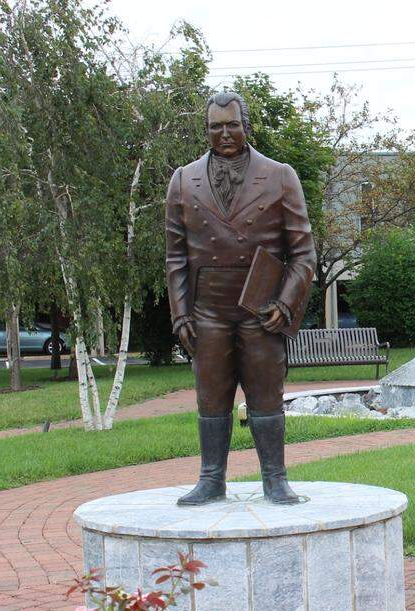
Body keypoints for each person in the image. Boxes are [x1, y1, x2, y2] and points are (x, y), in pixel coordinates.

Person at [165, 91, 315, 505]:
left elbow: (303, 253)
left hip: (260, 309)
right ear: (207, 129)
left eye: (232, 125)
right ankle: (211, 479)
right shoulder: (183, 179)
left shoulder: (280, 175)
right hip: (207, 310)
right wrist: (180, 314)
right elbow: (176, 255)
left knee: (267, 394)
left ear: (246, 126)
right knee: (211, 396)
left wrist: (284, 304)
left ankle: (275, 478)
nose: (225, 133)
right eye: (216, 126)